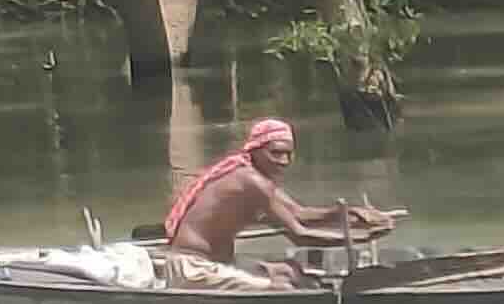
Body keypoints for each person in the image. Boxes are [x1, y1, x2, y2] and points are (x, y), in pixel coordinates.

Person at [154, 118, 391, 290]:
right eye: (275, 153)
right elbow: (300, 235)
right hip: (193, 269)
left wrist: (353, 215)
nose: (284, 161)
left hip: (215, 264)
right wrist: (363, 238)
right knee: (283, 288)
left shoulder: (254, 179)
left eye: (288, 154)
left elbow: (299, 213)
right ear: (256, 150)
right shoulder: (252, 181)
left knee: (290, 270)